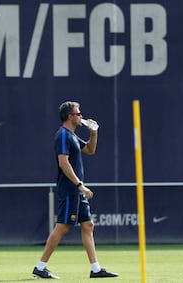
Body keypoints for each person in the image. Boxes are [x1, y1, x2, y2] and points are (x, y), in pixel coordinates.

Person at [32, 101, 118, 279]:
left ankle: (95, 269)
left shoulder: (71, 135)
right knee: (62, 227)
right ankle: (40, 267)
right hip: (71, 189)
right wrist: (80, 185)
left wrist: (94, 133)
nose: (81, 116)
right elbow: (63, 163)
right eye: (78, 114)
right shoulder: (62, 135)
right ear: (70, 116)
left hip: (77, 190)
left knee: (88, 225)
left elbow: (90, 150)